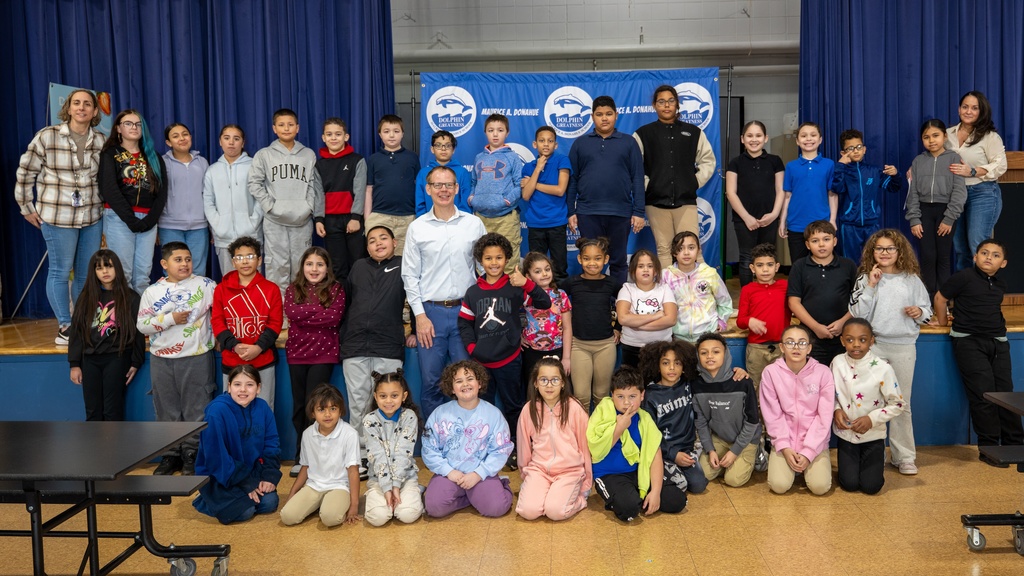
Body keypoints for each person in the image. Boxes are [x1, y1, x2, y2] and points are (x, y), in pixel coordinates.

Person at [15, 88, 106, 344]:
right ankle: (65, 327)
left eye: (87, 104)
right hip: (57, 217)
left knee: (86, 274)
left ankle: (81, 322)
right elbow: (25, 172)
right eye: (76, 103)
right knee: (59, 270)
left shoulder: (100, 140)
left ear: (94, 111)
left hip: (91, 218)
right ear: (68, 108)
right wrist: (26, 207)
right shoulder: (47, 136)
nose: (81, 108)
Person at [458, 232, 551, 469]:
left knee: (513, 405)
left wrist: (527, 283)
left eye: (499, 257)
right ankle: (486, 447)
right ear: (481, 260)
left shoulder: (514, 287)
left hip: (509, 359)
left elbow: (544, 303)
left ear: (507, 259)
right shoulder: (473, 292)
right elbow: (464, 323)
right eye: (488, 258)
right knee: (483, 407)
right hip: (481, 362)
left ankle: (516, 447)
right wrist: (472, 348)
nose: (494, 263)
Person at [402, 166, 486, 418]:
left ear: (457, 188)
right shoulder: (418, 228)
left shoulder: (474, 224)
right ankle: (435, 444)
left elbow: (485, 269)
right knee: (431, 383)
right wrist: (419, 316)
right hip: (431, 315)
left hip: (466, 313)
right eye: (437, 185)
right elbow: (409, 275)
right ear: (428, 189)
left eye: (449, 185)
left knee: (467, 383)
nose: (444, 190)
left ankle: (468, 440)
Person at [935, 239, 1024, 466]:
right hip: (969, 342)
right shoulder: (963, 277)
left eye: (995, 255)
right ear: (975, 257)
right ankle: (990, 448)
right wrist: (944, 321)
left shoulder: (999, 284)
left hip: (998, 342)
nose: (988, 257)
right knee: (983, 395)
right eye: (984, 253)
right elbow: (940, 297)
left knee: (1006, 394)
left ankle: (1015, 444)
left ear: (1003, 263)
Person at [849, 229, 931, 475]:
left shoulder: (911, 279)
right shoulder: (866, 278)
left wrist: (920, 312)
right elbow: (857, 314)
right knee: (871, 402)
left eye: (890, 249)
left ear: (899, 252)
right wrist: (872, 285)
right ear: (872, 252)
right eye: (879, 248)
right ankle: (871, 454)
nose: (884, 253)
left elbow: (927, 311)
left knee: (900, 403)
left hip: (904, 346)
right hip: (874, 346)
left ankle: (903, 456)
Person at [137, 241, 217, 476]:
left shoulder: (206, 285)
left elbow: (221, 310)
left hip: (196, 356)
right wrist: (170, 318)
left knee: (196, 408)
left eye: (188, 259)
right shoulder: (152, 292)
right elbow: (142, 326)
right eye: (178, 259)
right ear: (164, 264)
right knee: (166, 409)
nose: (184, 264)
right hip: (162, 359)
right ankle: (171, 455)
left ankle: (192, 453)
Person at [341, 226, 414, 474]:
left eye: (383, 238)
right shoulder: (358, 267)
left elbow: (415, 297)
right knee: (359, 403)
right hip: (355, 345)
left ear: (394, 242)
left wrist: (413, 329)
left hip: (388, 345)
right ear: (367, 247)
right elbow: (348, 301)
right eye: (372, 240)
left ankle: (390, 453)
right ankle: (360, 456)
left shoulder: (404, 264)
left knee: (389, 402)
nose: (378, 243)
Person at [588, 366, 686, 522]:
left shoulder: (644, 418)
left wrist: (655, 492)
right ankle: (630, 498)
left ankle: (638, 495)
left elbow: (654, 455)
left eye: (632, 396)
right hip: (610, 474)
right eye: (620, 396)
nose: (626, 402)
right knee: (629, 510)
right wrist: (619, 427)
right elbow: (596, 449)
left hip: (639, 471)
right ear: (611, 395)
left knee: (677, 501)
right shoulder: (603, 413)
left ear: (642, 395)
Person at [633, 84, 717, 268]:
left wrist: (693, 182)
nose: (666, 105)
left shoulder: (693, 132)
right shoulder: (643, 134)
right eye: (661, 102)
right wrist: (649, 185)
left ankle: (699, 293)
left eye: (671, 101)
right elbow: (634, 166)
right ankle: (669, 294)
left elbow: (708, 161)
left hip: (685, 201)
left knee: (692, 249)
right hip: (655, 202)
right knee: (664, 250)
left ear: (677, 104)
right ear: (654, 105)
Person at [421, 360, 514, 518]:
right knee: (434, 508)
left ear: (479, 383)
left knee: (496, 508)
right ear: (452, 388)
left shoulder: (493, 414)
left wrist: (479, 473)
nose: (465, 384)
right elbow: (429, 448)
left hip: (480, 474)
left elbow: (501, 449)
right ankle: (469, 498)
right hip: (450, 474)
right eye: (458, 381)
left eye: (470, 379)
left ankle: (499, 486)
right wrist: (448, 471)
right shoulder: (440, 413)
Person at [247, 108, 323, 302]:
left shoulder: (307, 154)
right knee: (276, 265)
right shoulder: (264, 154)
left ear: (297, 128)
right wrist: (270, 206)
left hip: (302, 219)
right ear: (274, 128)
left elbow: (313, 185)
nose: (286, 128)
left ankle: (300, 307)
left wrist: (309, 207)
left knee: (301, 264)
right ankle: (278, 311)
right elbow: (254, 183)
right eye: (281, 124)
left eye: (290, 124)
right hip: (274, 220)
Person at [567, 95, 645, 282]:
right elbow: (572, 179)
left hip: (620, 213)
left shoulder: (628, 142)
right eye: (599, 114)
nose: (604, 118)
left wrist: (639, 211)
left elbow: (637, 178)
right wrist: (571, 211)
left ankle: (617, 304)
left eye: (609, 114)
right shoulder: (580, 143)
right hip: (588, 212)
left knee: (618, 260)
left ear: (616, 115)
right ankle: (594, 303)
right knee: (591, 261)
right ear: (592, 116)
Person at [193, 365, 282, 524]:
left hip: (251, 471)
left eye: (249, 384)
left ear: (258, 388)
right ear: (228, 387)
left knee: (269, 503)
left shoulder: (262, 407)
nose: (243, 390)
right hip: (222, 474)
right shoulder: (216, 412)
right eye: (237, 384)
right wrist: (245, 483)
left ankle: (242, 498)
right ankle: (206, 498)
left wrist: (269, 476)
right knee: (244, 512)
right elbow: (216, 456)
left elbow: (271, 444)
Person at [285, 246, 345, 476]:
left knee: (317, 406)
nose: (314, 269)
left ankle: (318, 457)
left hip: (323, 354)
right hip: (297, 355)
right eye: (309, 264)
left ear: (327, 268)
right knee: (300, 407)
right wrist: (318, 311)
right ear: (303, 267)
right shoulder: (293, 289)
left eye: (320, 264)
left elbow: (334, 317)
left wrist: (306, 315)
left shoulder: (336, 289)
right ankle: (302, 455)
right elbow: (292, 313)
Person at [68, 249, 144, 421]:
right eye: (99, 268)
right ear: (93, 272)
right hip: (90, 360)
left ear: (117, 268)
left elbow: (138, 330)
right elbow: (77, 331)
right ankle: (95, 448)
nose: (105, 271)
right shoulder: (86, 297)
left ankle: (114, 447)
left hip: (116, 358)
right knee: (92, 411)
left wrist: (136, 361)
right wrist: (74, 364)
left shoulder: (130, 297)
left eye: (109, 266)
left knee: (112, 410)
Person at [831, 319, 905, 495]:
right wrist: (836, 409)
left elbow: (898, 404)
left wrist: (872, 419)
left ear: (871, 341)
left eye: (862, 340)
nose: (856, 345)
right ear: (842, 341)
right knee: (849, 484)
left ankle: (878, 459)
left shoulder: (883, 368)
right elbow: (829, 394)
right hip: (846, 435)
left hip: (873, 436)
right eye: (850, 340)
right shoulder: (837, 363)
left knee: (871, 487)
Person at [759, 325, 834, 496]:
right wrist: (784, 447)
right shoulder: (770, 373)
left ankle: (805, 465)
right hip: (785, 440)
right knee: (778, 486)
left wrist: (808, 452)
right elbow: (772, 415)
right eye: (790, 342)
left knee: (820, 487)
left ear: (809, 348)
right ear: (781, 347)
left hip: (815, 441)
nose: (796, 347)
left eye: (802, 343)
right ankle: (790, 464)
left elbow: (824, 417)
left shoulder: (823, 373)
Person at [98, 109, 167, 294]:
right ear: (119, 128)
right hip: (119, 219)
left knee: (143, 275)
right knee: (123, 274)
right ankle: (123, 320)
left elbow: (162, 193)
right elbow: (109, 190)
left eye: (138, 124)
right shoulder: (110, 154)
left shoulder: (154, 157)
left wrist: (150, 220)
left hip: (147, 220)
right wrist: (130, 219)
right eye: (128, 123)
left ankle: (141, 320)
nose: (134, 127)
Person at [515, 357, 592, 521]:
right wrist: (526, 476)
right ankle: (541, 492)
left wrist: (586, 483)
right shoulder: (528, 410)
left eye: (555, 380)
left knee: (555, 512)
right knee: (528, 511)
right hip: (539, 470)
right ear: (535, 383)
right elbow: (524, 448)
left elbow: (585, 448)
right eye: (543, 380)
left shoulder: (575, 408)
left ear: (563, 383)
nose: (549, 385)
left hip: (569, 472)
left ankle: (578, 500)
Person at [211, 237, 283, 409]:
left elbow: (275, 323)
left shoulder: (271, 289)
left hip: (263, 361)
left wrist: (258, 347)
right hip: (232, 360)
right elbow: (217, 321)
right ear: (233, 262)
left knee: (263, 409)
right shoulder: (221, 289)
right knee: (230, 411)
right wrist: (234, 346)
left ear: (259, 260)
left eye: (250, 256)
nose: (245, 261)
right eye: (239, 257)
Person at [280, 383, 361, 527]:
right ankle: (321, 503)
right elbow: (305, 467)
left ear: (341, 411)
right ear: (313, 413)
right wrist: (292, 494)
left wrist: (354, 506)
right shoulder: (307, 434)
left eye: (333, 409)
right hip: (314, 485)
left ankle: (330, 503)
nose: (328, 414)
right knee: (287, 517)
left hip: (339, 486)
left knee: (330, 519)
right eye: (321, 409)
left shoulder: (350, 434)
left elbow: (353, 471)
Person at [945, 91, 1008, 271]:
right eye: (965, 107)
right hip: (955, 196)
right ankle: (964, 295)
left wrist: (972, 171)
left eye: (974, 108)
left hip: (983, 193)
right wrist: (916, 168)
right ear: (959, 109)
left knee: (978, 246)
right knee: (960, 250)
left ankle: (982, 294)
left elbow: (1000, 166)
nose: (968, 111)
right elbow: (934, 157)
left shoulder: (990, 137)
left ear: (981, 111)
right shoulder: (947, 134)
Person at [905, 119, 967, 299]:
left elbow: (959, 191)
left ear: (945, 136)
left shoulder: (954, 158)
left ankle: (943, 298)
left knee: (944, 257)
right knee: (927, 256)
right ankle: (928, 298)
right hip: (924, 212)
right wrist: (915, 219)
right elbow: (913, 193)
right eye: (926, 137)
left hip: (945, 212)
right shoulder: (918, 161)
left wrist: (949, 219)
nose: (931, 140)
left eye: (935, 135)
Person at [692, 333, 762, 488]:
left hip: (746, 439)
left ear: (726, 354)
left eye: (716, 352)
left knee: (734, 480)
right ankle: (727, 459)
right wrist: (710, 450)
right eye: (704, 353)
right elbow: (701, 423)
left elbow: (752, 422)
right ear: (698, 356)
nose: (710, 356)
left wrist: (735, 452)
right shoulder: (696, 385)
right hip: (721, 438)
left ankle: (755, 453)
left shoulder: (742, 382)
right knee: (703, 473)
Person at [561, 237, 622, 412]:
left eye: (597, 258)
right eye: (587, 258)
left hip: (605, 345)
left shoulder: (612, 283)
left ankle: (600, 434)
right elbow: (554, 300)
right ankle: (582, 436)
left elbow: (628, 303)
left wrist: (618, 327)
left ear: (606, 260)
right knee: (581, 396)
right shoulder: (572, 283)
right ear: (580, 259)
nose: (592, 263)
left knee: (602, 395)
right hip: (578, 345)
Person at [639, 340, 707, 495]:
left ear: (684, 366)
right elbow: (649, 434)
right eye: (665, 363)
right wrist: (672, 454)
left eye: (677, 363)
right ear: (657, 365)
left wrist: (738, 371)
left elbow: (712, 375)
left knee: (698, 485)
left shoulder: (689, 384)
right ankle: (657, 470)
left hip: (687, 448)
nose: (672, 368)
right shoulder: (650, 395)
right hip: (662, 450)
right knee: (680, 485)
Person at [787, 220, 857, 366]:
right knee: (812, 381)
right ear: (807, 245)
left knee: (843, 381)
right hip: (811, 337)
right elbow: (793, 302)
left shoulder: (848, 266)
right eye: (815, 240)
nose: (821, 244)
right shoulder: (799, 267)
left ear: (835, 241)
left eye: (826, 239)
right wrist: (816, 327)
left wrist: (842, 322)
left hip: (843, 336)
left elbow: (858, 301)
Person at [725, 121, 785, 285]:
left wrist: (774, 215)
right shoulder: (735, 163)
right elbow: (730, 192)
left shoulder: (775, 161)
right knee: (746, 258)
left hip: (769, 219)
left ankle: (766, 295)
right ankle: (747, 298)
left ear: (765, 138)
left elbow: (781, 190)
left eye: (758, 135)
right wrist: (746, 217)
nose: (754, 139)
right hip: (744, 220)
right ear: (742, 139)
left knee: (767, 258)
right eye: (749, 136)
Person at [362, 371, 424, 526]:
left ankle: (415, 491)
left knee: (407, 514)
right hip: (378, 479)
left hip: (406, 477)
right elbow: (377, 455)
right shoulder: (369, 420)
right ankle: (379, 498)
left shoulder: (409, 416)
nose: (388, 401)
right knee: (378, 518)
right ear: (375, 397)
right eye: (383, 396)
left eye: (394, 396)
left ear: (404, 396)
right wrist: (386, 488)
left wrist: (395, 486)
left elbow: (403, 452)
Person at [830, 129, 903, 262]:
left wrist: (895, 175)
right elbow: (836, 188)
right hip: (849, 226)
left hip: (872, 225)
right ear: (843, 153)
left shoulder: (873, 171)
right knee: (850, 262)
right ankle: (853, 284)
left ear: (864, 149)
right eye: (850, 148)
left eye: (858, 147)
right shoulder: (842, 171)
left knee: (873, 261)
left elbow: (894, 187)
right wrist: (840, 165)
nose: (856, 151)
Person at [203, 124, 262, 277]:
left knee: (253, 282)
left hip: (251, 236)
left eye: (236, 139)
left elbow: (261, 197)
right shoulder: (212, 170)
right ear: (220, 141)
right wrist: (218, 225)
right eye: (226, 138)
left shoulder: (254, 165)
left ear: (243, 143)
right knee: (230, 282)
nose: (231, 142)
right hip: (224, 239)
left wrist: (252, 222)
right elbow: (208, 202)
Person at [470, 113, 524, 273]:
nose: (495, 134)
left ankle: (509, 295)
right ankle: (484, 293)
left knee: (508, 256)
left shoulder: (512, 157)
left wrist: (506, 201)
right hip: (481, 217)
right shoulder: (479, 157)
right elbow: (474, 181)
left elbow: (519, 184)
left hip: (506, 217)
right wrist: (473, 198)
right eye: (491, 130)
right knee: (483, 257)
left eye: (500, 130)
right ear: (485, 132)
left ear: (507, 133)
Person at [315, 117, 367, 283]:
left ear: (346, 136)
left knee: (358, 263)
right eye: (329, 134)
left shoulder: (357, 161)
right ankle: (341, 305)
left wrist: (355, 217)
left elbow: (360, 192)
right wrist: (319, 220)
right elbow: (318, 194)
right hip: (330, 222)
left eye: (338, 134)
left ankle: (359, 304)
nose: (333, 138)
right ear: (323, 138)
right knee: (337, 266)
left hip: (352, 221)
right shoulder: (319, 165)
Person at [737, 242, 791, 392]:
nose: (765, 269)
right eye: (760, 265)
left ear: (777, 266)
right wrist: (749, 320)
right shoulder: (748, 290)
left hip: (781, 346)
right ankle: (757, 415)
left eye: (769, 264)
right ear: (752, 268)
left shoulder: (785, 286)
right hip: (756, 348)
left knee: (781, 385)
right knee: (756, 385)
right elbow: (740, 320)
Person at [521, 126, 572, 284]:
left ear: (555, 145)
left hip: (557, 222)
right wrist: (537, 169)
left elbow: (560, 190)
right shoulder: (528, 167)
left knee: (559, 267)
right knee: (536, 267)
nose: (546, 144)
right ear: (534, 144)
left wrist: (533, 183)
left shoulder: (561, 160)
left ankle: (561, 302)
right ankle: (539, 303)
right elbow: (526, 195)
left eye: (550, 141)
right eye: (542, 141)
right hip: (536, 224)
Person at [662, 231, 733, 343]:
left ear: (699, 250)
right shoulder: (666, 276)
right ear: (674, 252)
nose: (686, 253)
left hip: (708, 334)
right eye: (680, 248)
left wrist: (722, 321)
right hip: (678, 337)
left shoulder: (709, 273)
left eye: (691, 248)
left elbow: (724, 300)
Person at [780, 122, 836, 262]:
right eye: (804, 136)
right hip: (796, 224)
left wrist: (833, 220)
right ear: (798, 141)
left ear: (820, 139)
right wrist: (782, 221)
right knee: (798, 264)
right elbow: (787, 196)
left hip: (821, 223)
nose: (808, 139)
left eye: (813, 135)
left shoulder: (829, 164)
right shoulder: (791, 166)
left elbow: (832, 194)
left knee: (821, 264)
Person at [160, 122, 210, 276]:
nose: (181, 138)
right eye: (175, 136)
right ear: (168, 143)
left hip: (199, 227)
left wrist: (212, 225)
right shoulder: (161, 163)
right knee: (173, 272)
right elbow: (156, 195)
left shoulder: (202, 162)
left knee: (197, 271)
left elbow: (208, 194)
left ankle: (198, 301)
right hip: (170, 226)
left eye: (185, 134)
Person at [364, 114, 419, 255]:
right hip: (379, 216)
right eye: (386, 131)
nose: (392, 135)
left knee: (404, 260)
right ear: (380, 135)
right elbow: (369, 190)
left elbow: (418, 188)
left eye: (396, 131)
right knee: (379, 257)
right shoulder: (373, 159)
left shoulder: (412, 157)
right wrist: (367, 219)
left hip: (407, 217)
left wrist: (417, 216)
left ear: (402, 134)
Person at [520, 251, 572, 392]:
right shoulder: (524, 295)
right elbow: (511, 317)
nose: (544, 274)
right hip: (532, 352)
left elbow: (567, 327)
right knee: (534, 390)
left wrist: (566, 358)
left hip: (558, 350)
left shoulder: (560, 295)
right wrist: (518, 336)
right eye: (538, 271)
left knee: (560, 390)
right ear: (528, 277)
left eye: (547, 269)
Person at [616, 249, 677, 368]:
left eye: (650, 266)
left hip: (661, 347)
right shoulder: (627, 289)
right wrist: (655, 316)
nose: (645, 269)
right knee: (632, 384)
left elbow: (671, 319)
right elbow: (623, 318)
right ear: (633, 271)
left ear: (655, 271)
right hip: (631, 347)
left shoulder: (664, 289)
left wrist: (637, 324)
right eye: (640, 266)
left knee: (658, 384)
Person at [415, 130, 471, 216]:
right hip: (429, 222)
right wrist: (424, 220)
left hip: (458, 222)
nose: (443, 149)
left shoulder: (462, 172)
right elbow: (420, 202)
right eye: (438, 145)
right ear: (432, 149)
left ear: (453, 150)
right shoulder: (423, 173)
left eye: (448, 146)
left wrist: (461, 220)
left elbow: (465, 202)